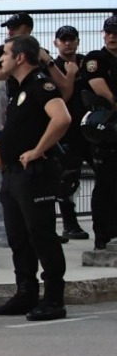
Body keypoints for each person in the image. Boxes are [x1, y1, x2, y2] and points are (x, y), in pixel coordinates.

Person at [0, 34, 72, 321]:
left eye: (7, 53)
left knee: (41, 236)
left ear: (20, 57)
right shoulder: (19, 88)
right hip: (13, 174)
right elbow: (17, 127)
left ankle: (53, 299)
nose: (1, 58)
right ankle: (25, 292)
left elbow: (62, 118)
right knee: (18, 236)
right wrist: (0, 148)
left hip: (34, 174)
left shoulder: (40, 84)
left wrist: (38, 150)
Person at [49, 25, 91, 241]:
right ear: (56, 42)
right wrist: (71, 77)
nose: (68, 43)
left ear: (77, 41)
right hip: (66, 132)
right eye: (63, 39)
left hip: (91, 131)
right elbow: (58, 99)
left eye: (71, 39)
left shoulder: (87, 63)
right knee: (67, 181)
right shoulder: (52, 67)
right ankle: (70, 224)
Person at [82, 15, 117, 249]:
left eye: (116, 33)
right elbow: (98, 85)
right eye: (109, 32)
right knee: (105, 183)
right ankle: (102, 235)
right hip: (106, 128)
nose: (113, 37)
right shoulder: (96, 58)